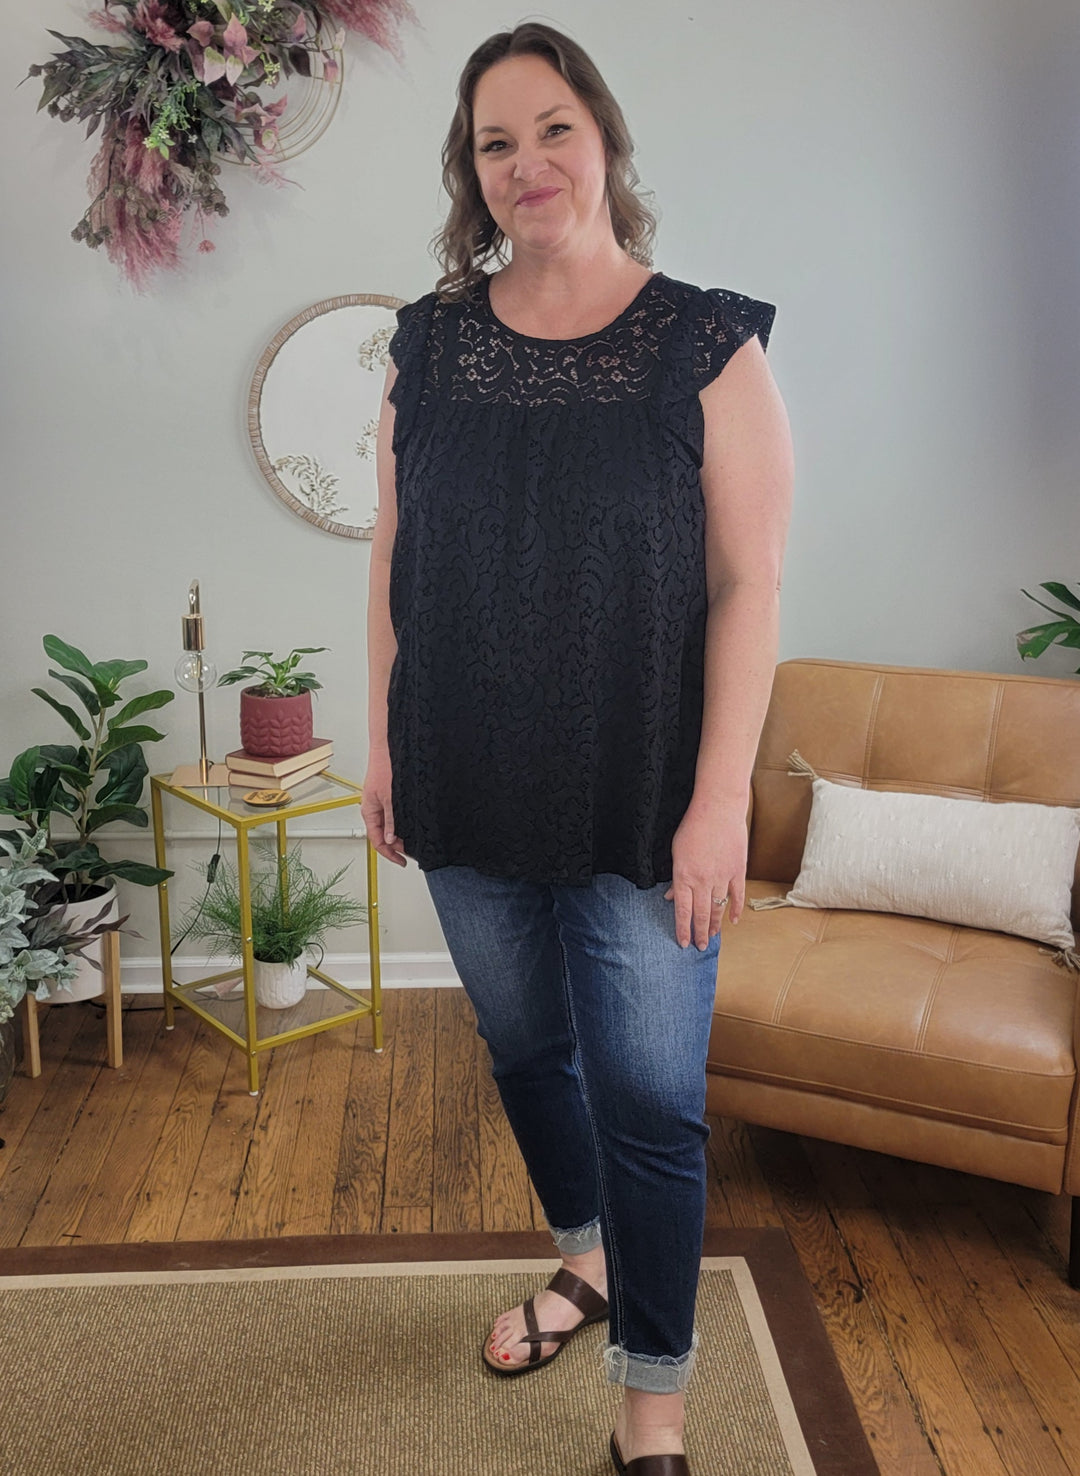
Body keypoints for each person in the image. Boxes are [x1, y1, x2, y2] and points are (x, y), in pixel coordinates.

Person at [363, 21, 793, 1476]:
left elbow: (752, 586)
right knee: (529, 1049)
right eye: (495, 142)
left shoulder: (707, 341)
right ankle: (588, 1255)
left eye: (551, 127)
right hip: (463, 771)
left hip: (645, 789)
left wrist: (719, 803)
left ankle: (650, 1407)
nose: (527, 162)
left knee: (656, 1103)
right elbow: (394, 559)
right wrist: (383, 745)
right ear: (469, 174)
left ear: (601, 137)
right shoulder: (428, 340)